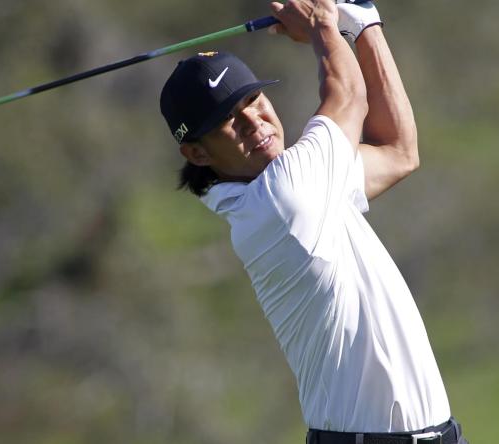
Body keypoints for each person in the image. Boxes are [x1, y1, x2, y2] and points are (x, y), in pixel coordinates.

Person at [159, 1, 469, 443]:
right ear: (197, 153)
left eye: (253, 100)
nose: (253, 122)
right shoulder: (283, 198)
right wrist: (326, 25)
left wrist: (363, 26)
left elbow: (400, 152)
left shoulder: (302, 187)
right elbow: (347, 96)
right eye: (228, 119)